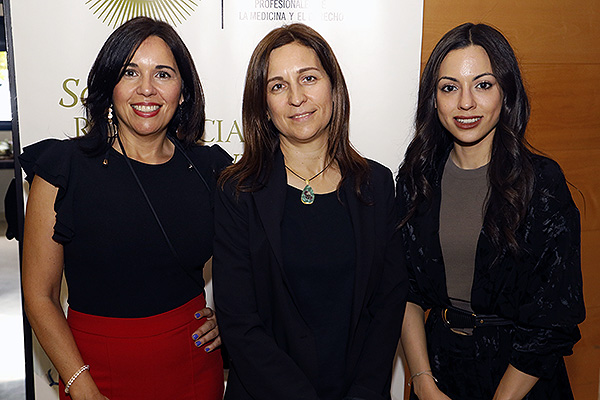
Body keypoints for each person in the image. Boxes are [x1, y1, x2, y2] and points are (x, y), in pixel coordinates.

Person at [20, 17, 230, 400]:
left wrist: (232, 321)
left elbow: (258, 261)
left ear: (182, 91)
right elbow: (40, 295)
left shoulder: (210, 169)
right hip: (92, 371)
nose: (146, 89)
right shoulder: (62, 169)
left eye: (163, 74)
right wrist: (82, 387)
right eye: (130, 71)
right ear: (109, 87)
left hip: (194, 365)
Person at [212, 23, 408, 400]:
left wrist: (364, 392)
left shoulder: (377, 184)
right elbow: (239, 324)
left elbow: (387, 306)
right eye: (278, 85)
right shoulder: (236, 191)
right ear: (263, 107)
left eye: (309, 78)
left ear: (334, 88)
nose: (296, 97)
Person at [396, 22, 585, 400]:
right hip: (439, 370)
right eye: (450, 87)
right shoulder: (418, 177)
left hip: (522, 378)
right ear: (433, 99)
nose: (466, 103)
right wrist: (422, 381)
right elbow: (406, 291)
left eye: (483, 85)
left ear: (506, 92)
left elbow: (554, 318)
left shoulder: (542, 183)